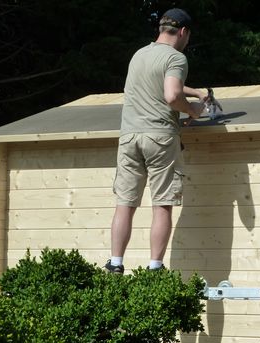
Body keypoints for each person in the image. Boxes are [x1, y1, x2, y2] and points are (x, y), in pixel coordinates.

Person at [105, 8, 208, 274]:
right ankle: (155, 266)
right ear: (183, 32)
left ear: (162, 29)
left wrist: (196, 92)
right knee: (162, 203)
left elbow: (159, 84)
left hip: (129, 137)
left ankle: (115, 263)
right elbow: (172, 95)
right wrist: (193, 109)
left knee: (125, 203)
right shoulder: (176, 57)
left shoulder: (139, 54)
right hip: (160, 137)